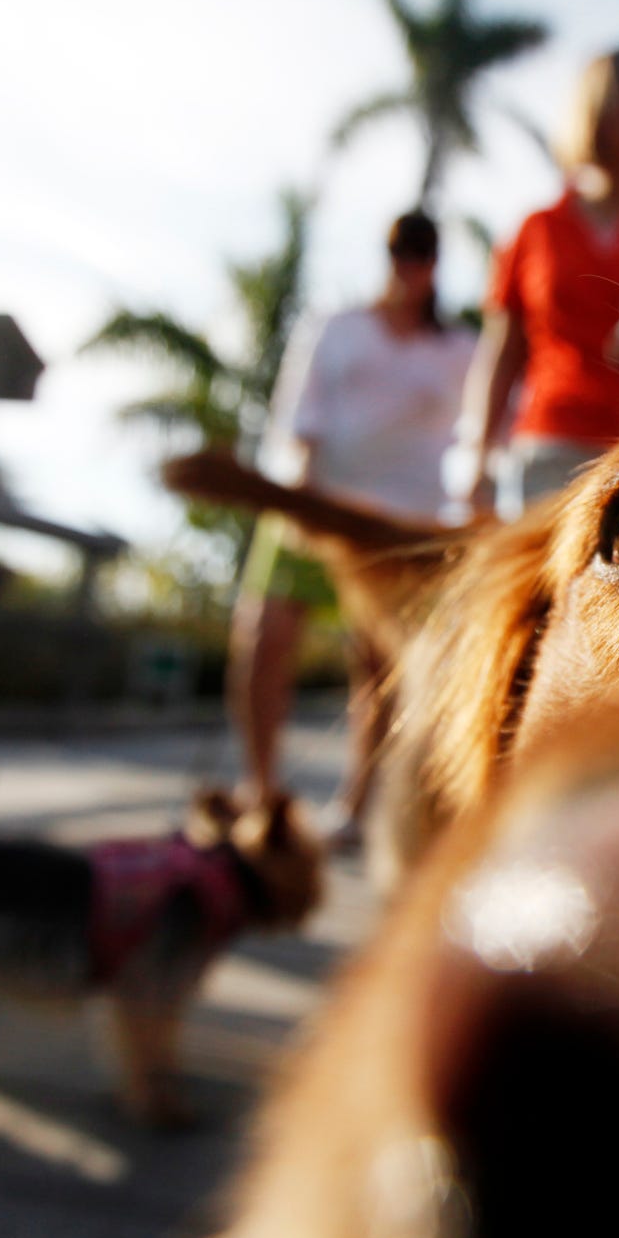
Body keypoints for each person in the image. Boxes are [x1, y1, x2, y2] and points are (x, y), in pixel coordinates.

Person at [229, 211, 476, 846]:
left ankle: (355, 801)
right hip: (317, 507)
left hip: (402, 526)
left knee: (377, 669)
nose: (410, 264)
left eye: (421, 252)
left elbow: (482, 434)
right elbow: (301, 418)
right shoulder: (337, 329)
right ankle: (261, 791)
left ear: (434, 263)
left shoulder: (458, 352)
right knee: (264, 639)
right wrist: (304, 498)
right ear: (387, 255)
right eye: (401, 251)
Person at [449, 47, 619, 520]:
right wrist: (476, 451)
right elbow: (503, 352)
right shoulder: (536, 229)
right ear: (604, 113)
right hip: (547, 451)